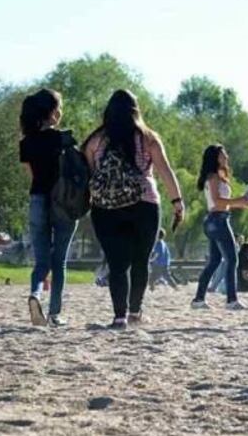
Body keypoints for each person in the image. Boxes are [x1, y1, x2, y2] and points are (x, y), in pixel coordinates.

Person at [84, 89, 185, 329]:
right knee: (141, 261)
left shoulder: (95, 140)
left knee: (117, 264)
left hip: (106, 208)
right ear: (135, 111)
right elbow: (165, 171)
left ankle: (119, 317)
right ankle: (135, 312)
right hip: (144, 204)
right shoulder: (148, 137)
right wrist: (177, 201)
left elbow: (89, 176)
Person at [19, 88, 78, 327]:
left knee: (41, 261)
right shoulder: (62, 138)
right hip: (63, 201)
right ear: (52, 112)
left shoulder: (26, 143)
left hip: (37, 199)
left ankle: (35, 294)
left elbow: (32, 176)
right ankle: (54, 314)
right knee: (59, 261)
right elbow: (75, 168)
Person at [191, 144, 248, 310]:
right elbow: (217, 201)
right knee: (232, 259)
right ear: (215, 158)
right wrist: (239, 201)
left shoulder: (216, 176)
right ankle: (231, 300)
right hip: (218, 220)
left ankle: (198, 299)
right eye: (222, 154)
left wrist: (240, 204)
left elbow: (221, 203)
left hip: (214, 220)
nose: (226, 156)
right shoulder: (213, 178)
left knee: (214, 261)